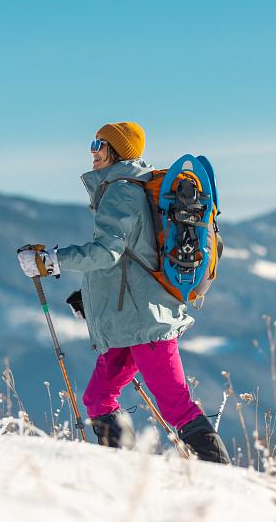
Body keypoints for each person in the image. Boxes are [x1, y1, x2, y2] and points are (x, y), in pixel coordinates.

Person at [17, 121, 230, 463]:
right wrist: (90, 299)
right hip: (131, 319)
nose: (92, 151)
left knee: (176, 404)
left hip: (146, 322)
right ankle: (122, 470)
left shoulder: (121, 191)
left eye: (98, 144)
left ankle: (223, 476)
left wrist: (51, 261)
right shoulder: (124, 188)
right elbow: (130, 262)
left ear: (117, 150)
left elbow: (107, 252)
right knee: (98, 397)